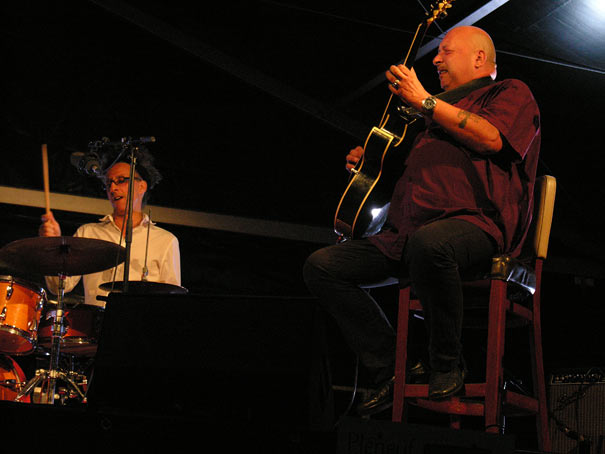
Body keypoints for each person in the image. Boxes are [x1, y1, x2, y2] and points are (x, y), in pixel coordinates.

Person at [303, 26, 541, 416]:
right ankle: (393, 368)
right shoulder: (430, 118)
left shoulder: (509, 91)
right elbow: (403, 176)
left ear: (479, 58)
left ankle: (447, 363)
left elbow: (491, 139)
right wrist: (369, 163)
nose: (435, 59)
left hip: (476, 226)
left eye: (446, 51)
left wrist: (426, 101)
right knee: (323, 266)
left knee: (432, 244)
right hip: (408, 234)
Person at [39, 147, 181, 307]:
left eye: (121, 180)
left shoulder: (166, 241)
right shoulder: (88, 233)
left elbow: (172, 300)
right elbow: (59, 287)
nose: (113, 188)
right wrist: (53, 245)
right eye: (109, 183)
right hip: (96, 328)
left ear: (142, 186)